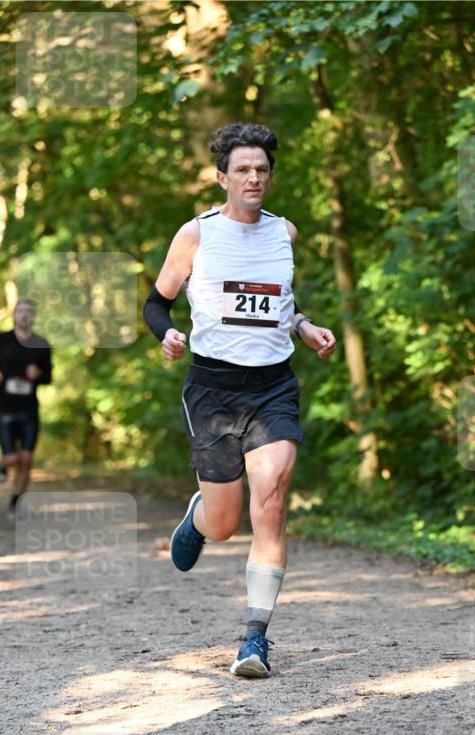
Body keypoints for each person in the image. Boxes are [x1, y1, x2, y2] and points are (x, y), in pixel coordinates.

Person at [144, 123, 336, 678]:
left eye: (263, 170)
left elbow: (279, 302)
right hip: (213, 388)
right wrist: (166, 334)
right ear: (222, 176)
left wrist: (302, 325)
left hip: (273, 386)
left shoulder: (284, 233)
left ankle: (254, 640)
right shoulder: (196, 236)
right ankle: (200, 519)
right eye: (244, 170)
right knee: (227, 523)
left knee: (270, 502)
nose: (254, 178)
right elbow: (155, 304)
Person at [0, 299, 52, 519]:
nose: (25, 315)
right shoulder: (0, 340)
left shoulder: (41, 344)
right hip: (4, 408)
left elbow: (49, 376)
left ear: (33, 317)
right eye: (21, 311)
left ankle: (16, 503)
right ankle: (2, 463)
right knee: (13, 458)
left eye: (29, 312)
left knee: (26, 459)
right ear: (14, 314)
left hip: (29, 410)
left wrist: (39, 375)